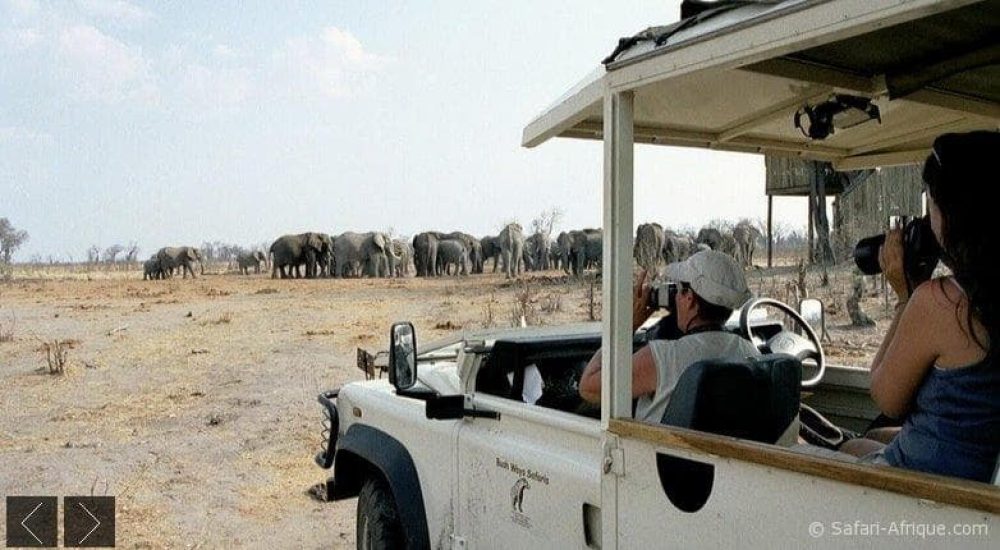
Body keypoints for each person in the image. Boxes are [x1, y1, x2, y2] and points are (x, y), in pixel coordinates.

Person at [842, 131, 1000, 483]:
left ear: (955, 212)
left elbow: (886, 398)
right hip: (978, 470)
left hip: (930, 486)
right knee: (868, 439)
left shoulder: (943, 303)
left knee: (847, 447)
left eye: (932, 206)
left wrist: (905, 296)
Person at [578, 250, 758, 423]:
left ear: (689, 299)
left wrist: (626, 326)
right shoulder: (750, 353)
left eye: (678, 290)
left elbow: (588, 387)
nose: (675, 298)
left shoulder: (663, 358)